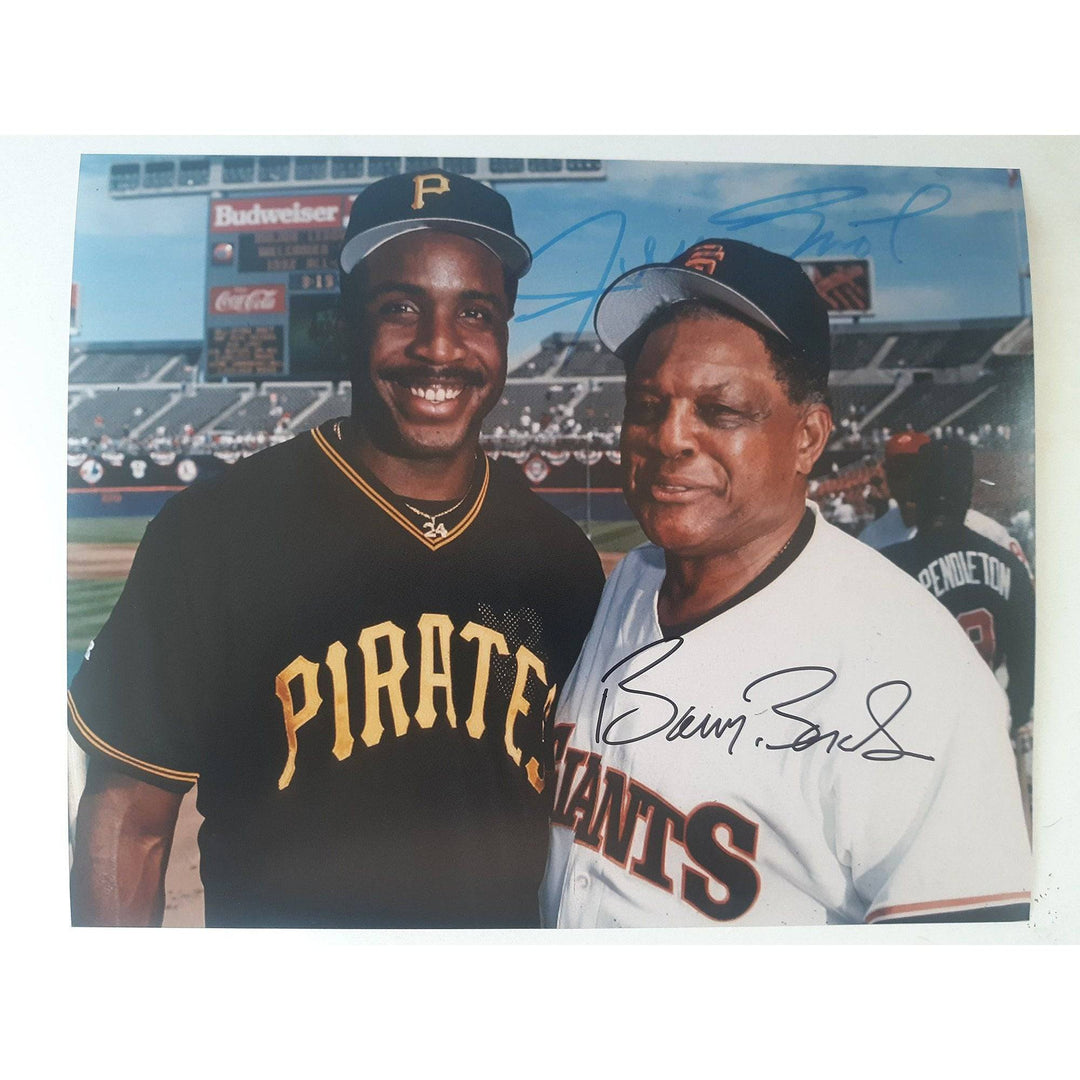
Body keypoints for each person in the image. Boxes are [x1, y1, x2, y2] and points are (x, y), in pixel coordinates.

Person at [68, 169, 606, 928]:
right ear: (349, 318)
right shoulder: (218, 532)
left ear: (505, 328)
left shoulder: (560, 563)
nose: (439, 346)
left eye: (475, 311)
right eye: (400, 307)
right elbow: (130, 820)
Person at [539, 238, 1030, 927]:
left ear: (808, 437)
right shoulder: (631, 585)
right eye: (647, 405)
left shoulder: (915, 672)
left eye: (722, 411)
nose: (669, 438)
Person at [881, 439, 1035, 829]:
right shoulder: (1006, 562)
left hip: (918, 739)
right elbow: (1027, 661)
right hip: (993, 730)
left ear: (920, 489)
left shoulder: (891, 568)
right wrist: (1017, 720)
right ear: (969, 491)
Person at [859, 431, 1032, 576]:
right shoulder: (871, 538)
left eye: (917, 471)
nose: (909, 481)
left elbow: (1025, 583)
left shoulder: (986, 530)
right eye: (899, 472)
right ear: (887, 477)